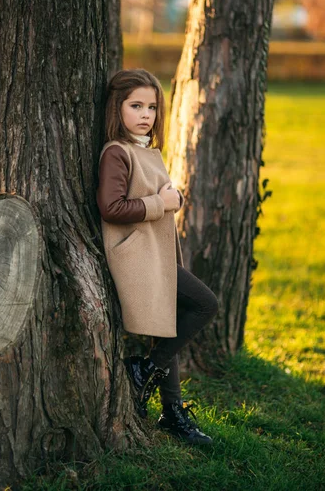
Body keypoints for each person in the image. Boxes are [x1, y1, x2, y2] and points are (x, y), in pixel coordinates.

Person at [96, 68, 219, 445]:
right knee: (205, 304)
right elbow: (111, 207)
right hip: (137, 257)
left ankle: (171, 410)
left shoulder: (147, 148)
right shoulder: (116, 152)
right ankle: (145, 368)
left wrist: (172, 200)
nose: (146, 114)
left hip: (157, 254)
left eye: (151, 106)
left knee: (168, 328)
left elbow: (160, 196)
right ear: (117, 108)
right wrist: (160, 202)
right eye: (136, 105)